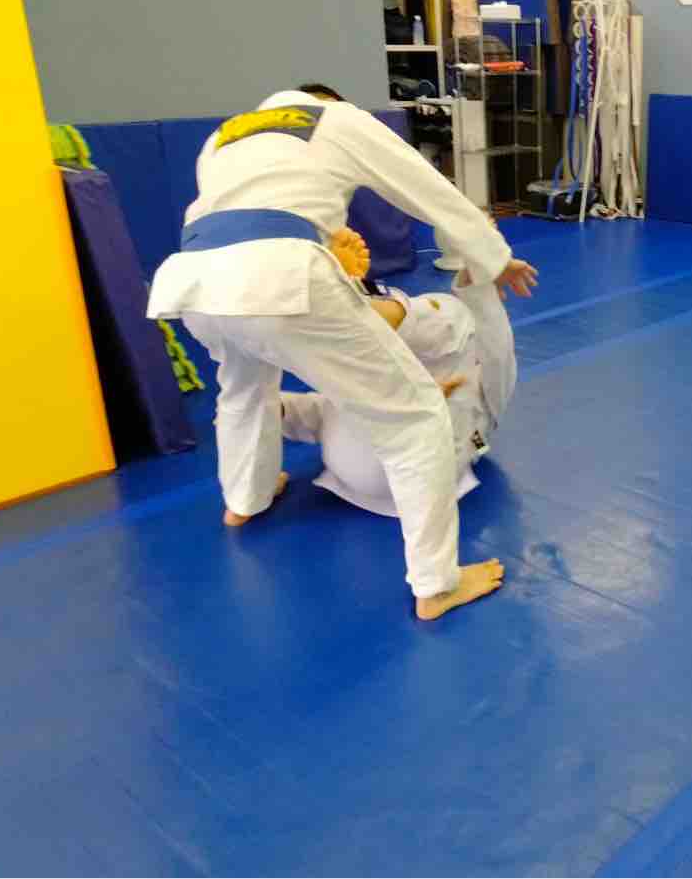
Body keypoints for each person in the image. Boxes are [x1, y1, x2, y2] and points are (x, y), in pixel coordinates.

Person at [146, 83, 538, 621]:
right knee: (415, 416)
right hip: (279, 271)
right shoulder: (334, 119)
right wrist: (494, 257)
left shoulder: (224, 137)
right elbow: (427, 189)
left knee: (242, 391)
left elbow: (244, 210)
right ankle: (436, 585)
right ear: (330, 100)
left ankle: (244, 500)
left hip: (193, 282)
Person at [281, 230, 517, 517]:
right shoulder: (474, 384)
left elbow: (495, 342)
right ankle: (348, 300)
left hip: (399, 465)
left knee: (452, 315)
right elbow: (495, 341)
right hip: (385, 467)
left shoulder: (471, 356)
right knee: (448, 321)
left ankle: (345, 299)